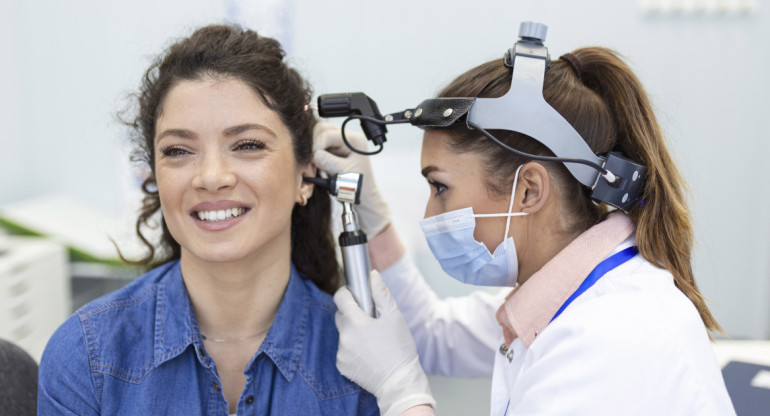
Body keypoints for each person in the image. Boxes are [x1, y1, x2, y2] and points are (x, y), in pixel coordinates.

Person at [313, 42, 736, 414]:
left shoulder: (610, 337)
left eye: (440, 187)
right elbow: (429, 333)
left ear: (529, 191)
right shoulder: (566, 294)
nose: (430, 214)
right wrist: (374, 213)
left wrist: (400, 392)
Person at [37, 25, 379, 415]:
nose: (212, 177)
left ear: (305, 175)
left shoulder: (365, 361)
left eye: (247, 145)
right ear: (154, 176)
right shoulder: (86, 357)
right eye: (179, 150)